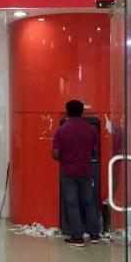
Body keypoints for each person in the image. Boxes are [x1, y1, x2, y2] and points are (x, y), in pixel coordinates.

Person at [52, 99, 100, 247]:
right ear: (82, 112)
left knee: (72, 203)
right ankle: (94, 235)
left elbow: (55, 154)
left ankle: (77, 237)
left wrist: (66, 158)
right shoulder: (91, 129)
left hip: (68, 171)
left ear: (67, 112)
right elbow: (95, 150)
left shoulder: (61, 130)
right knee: (89, 202)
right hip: (86, 170)